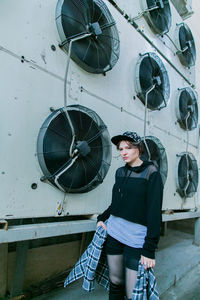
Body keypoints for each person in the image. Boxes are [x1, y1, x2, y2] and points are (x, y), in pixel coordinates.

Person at [97, 131, 163, 300]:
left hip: (136, 238)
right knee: (115, 281)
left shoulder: (151, 172)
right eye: (120, 149)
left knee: (132, 292)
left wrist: (149, 248)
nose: (123, 152)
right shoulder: (120, 172)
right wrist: (102, 218)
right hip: (114, 232)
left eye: (128, 148)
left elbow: (154, 211)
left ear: (139, 149)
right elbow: (116, 204)